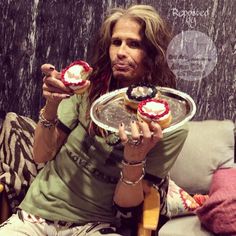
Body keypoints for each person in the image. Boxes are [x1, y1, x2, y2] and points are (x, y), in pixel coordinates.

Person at [0, 4, 188, 236]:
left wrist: (133, 159)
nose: (120, 52)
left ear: (153, 53)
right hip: (36, 214)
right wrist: (51, 105)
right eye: (116, 42)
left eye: (134, 44)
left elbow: (126, 204)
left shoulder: (170, 124)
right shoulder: (90, 89)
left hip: (94, 225)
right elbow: (40, 155)